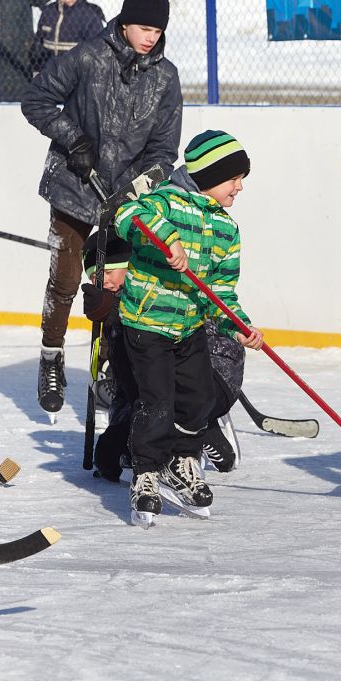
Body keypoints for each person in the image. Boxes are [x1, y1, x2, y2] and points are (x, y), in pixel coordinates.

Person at [22, 0, 182, 420]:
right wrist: (73, 140)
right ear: (125, 23)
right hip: (75, 186)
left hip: (125, 198)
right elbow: (35, 99)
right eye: (144, 28)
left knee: (119, 284)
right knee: (68, 277)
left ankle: (111, 364)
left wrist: (135, 188)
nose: (150, 38)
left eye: (158, 30)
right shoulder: (89, 56)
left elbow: (165, 151)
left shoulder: (166, 79)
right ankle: (51, 357)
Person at [111, 130, 262, 527]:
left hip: (189, 325)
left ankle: (182, 461)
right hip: (147, 322)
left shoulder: (226, 230)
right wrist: (166, 237)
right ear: (211, 174)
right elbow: (127, 216)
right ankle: (146, 471)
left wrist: (239, 327)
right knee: (157, 401)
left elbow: (222, 292)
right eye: (234, 178)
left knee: (198, 399)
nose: (240, 187)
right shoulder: (165, 203)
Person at [82, 234, 244, 484]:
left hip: (209, 377)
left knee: (171, 407)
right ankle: (193, 429)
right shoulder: (118, 300)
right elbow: (128, 380)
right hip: (156, 390)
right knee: (108, 457)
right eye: (96, 280)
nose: (105, 284)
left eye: (109, 274)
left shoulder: (160, 286)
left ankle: (201, 427)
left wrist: (117, 314)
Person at [29, 0, 106, 73]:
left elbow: (98, 47)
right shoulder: (49, 12)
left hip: (77, 73)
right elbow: (39, 41)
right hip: (50, 72)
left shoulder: (88, 15)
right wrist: (37, 66)